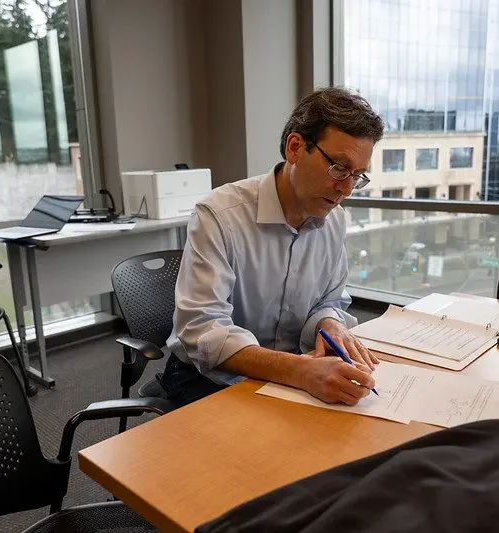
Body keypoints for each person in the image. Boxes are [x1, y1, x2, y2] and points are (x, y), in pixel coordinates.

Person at [162, 87, 384, 408]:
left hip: (290, 366)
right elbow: (203, 331)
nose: (346, 189)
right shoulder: (220, 215)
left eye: (357, 176)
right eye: (338, 167)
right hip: (209, 375)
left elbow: (328, 301)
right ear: (295, 148)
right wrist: (301, 372)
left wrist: (330, 325)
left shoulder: (334, 220)